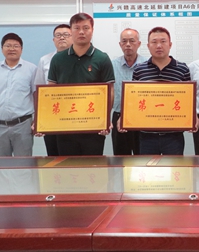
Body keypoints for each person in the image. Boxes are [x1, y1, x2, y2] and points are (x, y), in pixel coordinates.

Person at [48, 13, 115, 156]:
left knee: (92, 166)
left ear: (92, 30)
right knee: (67, 165)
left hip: (93, 125)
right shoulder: (58, 59)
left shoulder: (102, 58)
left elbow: (109, 91)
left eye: (86, 28)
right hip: (65, 125)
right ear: (71, 31)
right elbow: (51, 90)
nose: (81, 32)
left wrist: (105, 118)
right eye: (77, 28)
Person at [130, 27, 192, 155]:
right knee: (147, 167)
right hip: (147, 135)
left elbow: (188, 100)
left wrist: (192, 118)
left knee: (175, 167)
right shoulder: (139, 70)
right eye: (154, 42)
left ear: (170, 44)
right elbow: (134, 101)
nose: (159, 46)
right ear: (148, 46)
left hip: (173, 136)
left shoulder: (182, 69)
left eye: (163, 41)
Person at [0, 33, 37, 157]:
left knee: (24, 164)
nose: (12, 49)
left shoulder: (32, 69)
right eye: (8, 46)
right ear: (2, 48)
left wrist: (36, 121)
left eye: (16, 46)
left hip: (23, 125)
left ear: (21, 49)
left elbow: (36, 97)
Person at [34, 24, 72, 156]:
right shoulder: (44, 60)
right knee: (53, 155)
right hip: (51, 115)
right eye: (58, 35)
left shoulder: (79, 60)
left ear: (73, 37)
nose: (62, 38)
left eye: (66, 35)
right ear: (53, 39)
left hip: (73, 114)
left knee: (72, 156)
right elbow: (39, 92)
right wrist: (39, 119)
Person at [111, 28, 147, 155]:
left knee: (142, 158)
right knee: (120, 158)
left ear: (139, 43)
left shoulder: (148, 65)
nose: (128, 44)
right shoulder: (112, 65)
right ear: (120, 44)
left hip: (142, 117)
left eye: (132, 41)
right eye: (124, 41)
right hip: (118, 116)